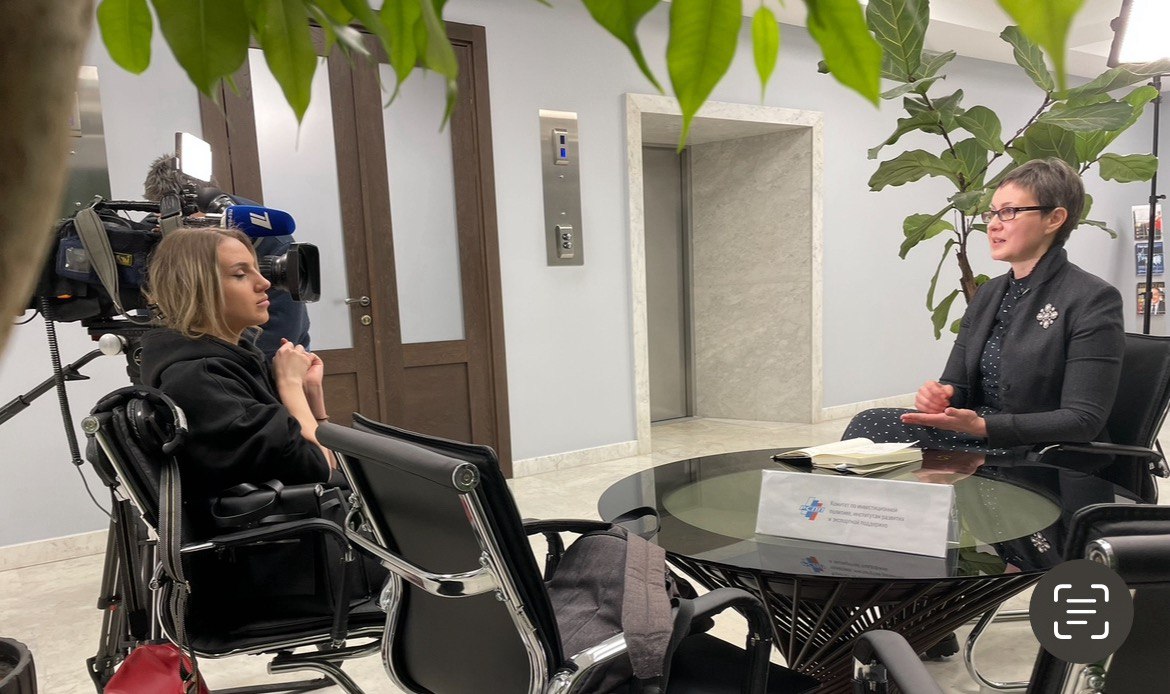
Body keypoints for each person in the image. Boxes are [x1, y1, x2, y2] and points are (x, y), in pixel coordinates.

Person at [844, 158, 1125, 451]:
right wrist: (942, 396)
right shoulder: (988, 294)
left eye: (1009, 212)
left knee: (870, 427)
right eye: (992, 213)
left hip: (1041, 450)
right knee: (868, 424)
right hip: (979, 435)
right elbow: (957, 386)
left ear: (1054, 219)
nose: (993, 225)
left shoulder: (1092, 298)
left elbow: (1083, 420)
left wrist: (984, 426)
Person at [138, 227, 333, 513]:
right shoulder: (203, 380)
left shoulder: (231, 362)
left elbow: (327, 460)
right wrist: (290, 384)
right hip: (286, 532)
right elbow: (320, 469)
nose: (264, 282)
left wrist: (310, 393)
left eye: (257, 270)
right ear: (197, 288)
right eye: (241, 274)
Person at [143, 152, 311, 360]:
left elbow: (282, 330)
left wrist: (224, 365)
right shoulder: (153, 232)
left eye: (190, 221)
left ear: (208, 201)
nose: (184, 233)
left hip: (266, 356)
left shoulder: (267, 232)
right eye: (169, 221)